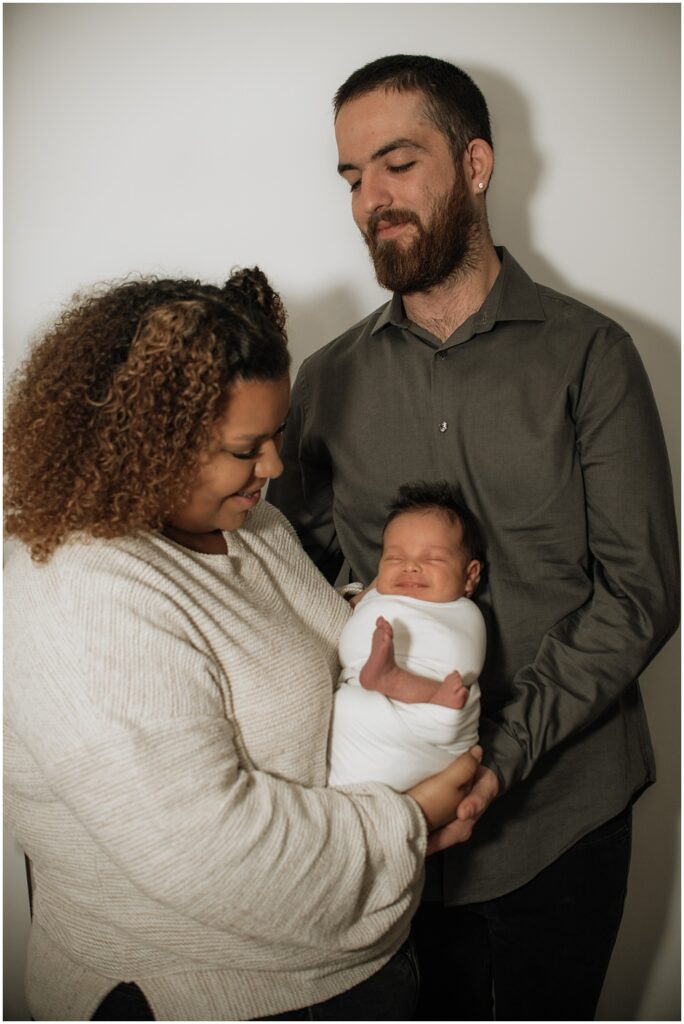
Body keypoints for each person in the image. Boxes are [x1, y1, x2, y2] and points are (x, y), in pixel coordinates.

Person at [268, 54, 680, 1020]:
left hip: (563, 815)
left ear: (477, 164)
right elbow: (287, 577)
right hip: (384, 830)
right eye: (351, 177)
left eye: (398, 163)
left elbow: (640, 592)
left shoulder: (594, 357)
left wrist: (497, 757)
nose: (372, 199)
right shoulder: (323, 382)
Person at [3, 266, 483, 1022]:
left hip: (345, 957)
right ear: (145, 442)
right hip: (214, 994)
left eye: (276, 437)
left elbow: (319, 643)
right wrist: (410, 822)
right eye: (243, 447)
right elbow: (211, 857)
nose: (273, 467)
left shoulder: (249, 526)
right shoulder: (84, 595)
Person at [329, 481, 486, 791]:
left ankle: (402, 683)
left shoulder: (458, 611)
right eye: (394, 559)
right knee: (347, 709)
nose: (411, 567)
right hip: (359, 735)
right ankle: (389, 679)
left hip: (427, 730)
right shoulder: (372, 597)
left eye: (433, 560)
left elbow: (460, 662)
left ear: (470, 577)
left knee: (454, 689)